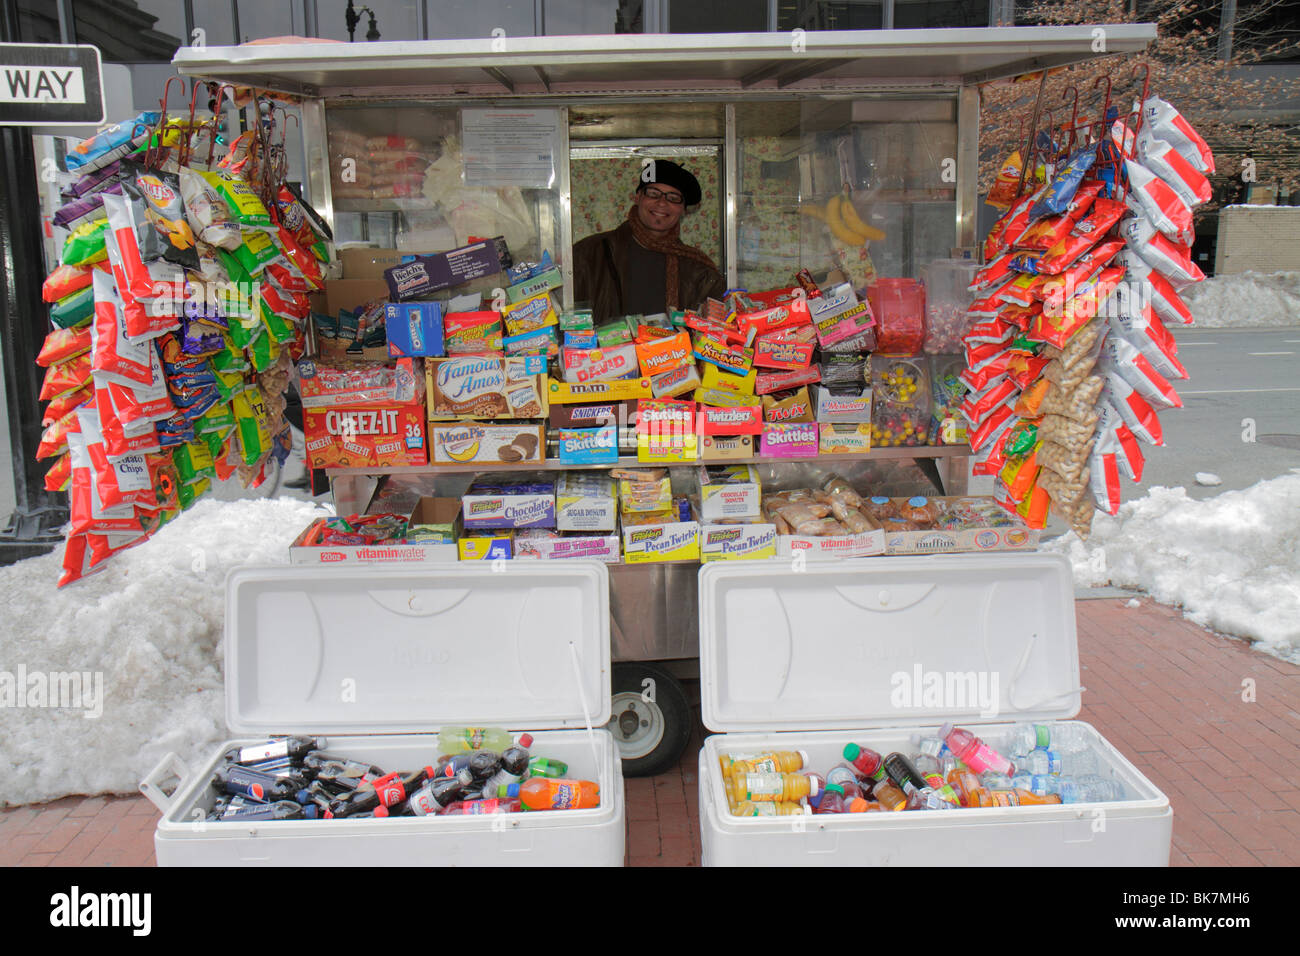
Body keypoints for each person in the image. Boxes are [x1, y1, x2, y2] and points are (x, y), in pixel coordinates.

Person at [572, 160, 726, 322]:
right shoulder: (588, 254)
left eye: (673, 198)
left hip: (675, 348)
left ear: (683, 209)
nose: (661, 203)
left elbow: (714, 334)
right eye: (653, 193)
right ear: (638, 197)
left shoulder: (700, 271)